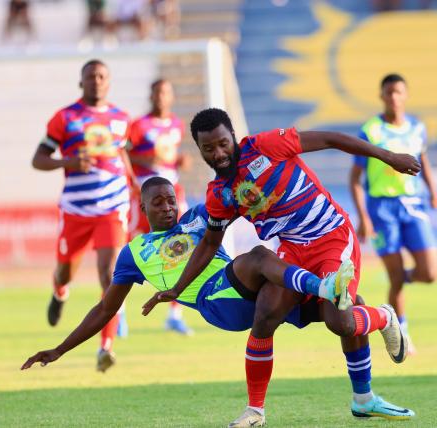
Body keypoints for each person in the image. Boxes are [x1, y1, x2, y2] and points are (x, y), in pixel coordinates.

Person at [21, 178, 412, 427]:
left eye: (170, 199)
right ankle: (324, 289)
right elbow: (105, 309)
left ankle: (366, 386)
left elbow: (235, 197)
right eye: (157, 202)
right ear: (143, 209)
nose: (167, 206)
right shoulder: (133, 253)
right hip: (217, 301)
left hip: (250, 290)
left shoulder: (197, 217)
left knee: (346, 314)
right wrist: (59, 349)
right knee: (260, 256)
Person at [142, 108, 422, 426]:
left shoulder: (266, 146)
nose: (218, 153)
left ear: (232, 137)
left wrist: (388, 157)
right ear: (200, 149)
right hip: (291, 249)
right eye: (209, 148)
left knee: (341, 323)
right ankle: (255, 411)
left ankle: (382, 325)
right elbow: (209, 243)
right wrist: (176, 290)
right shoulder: (220, 193)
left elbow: (331, 138)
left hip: (331, 236)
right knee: (266, 312)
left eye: (222, 143)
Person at [31, 59, 138, 372]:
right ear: (81, 82)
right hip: (77, 209)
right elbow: (38, 159)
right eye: (90, 76)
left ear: (109, 81)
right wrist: (67, 163)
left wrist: (134, 188)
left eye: (102, 75)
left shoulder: (122, 118)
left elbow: (123, 153)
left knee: (109, 274)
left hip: (112, 208)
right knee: (66, 271)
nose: (97, 80)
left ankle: (106, 346)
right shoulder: (65, 118)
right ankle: (59, 289)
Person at [349, 73, 437, 356]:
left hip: (413, 205)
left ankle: (400, 279)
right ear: (381, 96)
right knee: (396, 278)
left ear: (406, 95)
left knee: (430, 273)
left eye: (398, 92)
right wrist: (363, 217)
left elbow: (422, 161)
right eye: (388, 93)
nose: (394, 97)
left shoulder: (417, 128)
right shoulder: (370, 131)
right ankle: (401, 331)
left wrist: (433, 190)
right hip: (382, 210)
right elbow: (354, 178)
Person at [128, 79, 194, 335]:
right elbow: (126, 154)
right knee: (130, 245)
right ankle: (118, 312)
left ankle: (175, 314)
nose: (160, 97)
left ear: (171, 96)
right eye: (156, 92)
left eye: (165, 92)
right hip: (144, 194)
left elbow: (169, 159)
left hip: (171, 191)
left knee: (179, 247)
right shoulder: (138, 125)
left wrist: (179, 161)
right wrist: (146, 159)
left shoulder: (177, 125)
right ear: (151, 95)